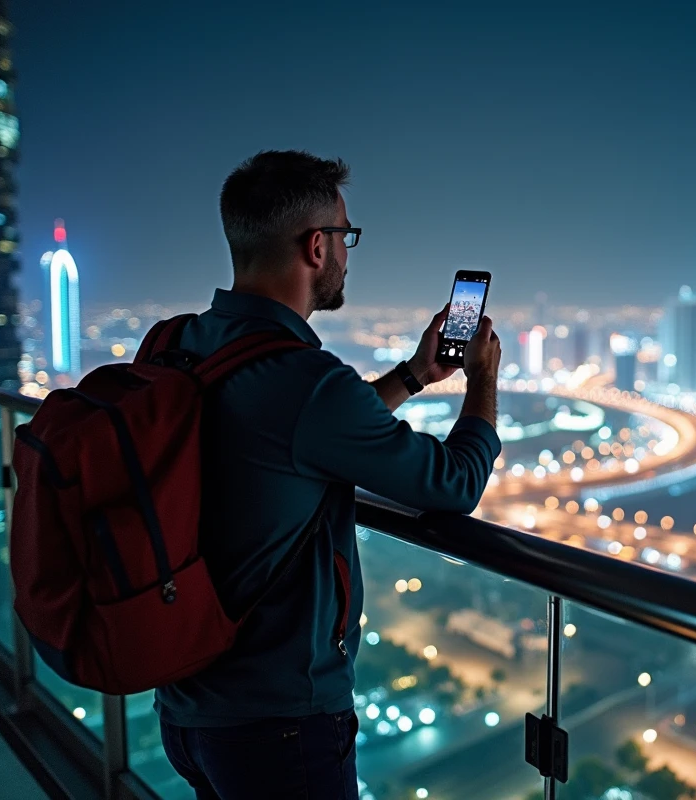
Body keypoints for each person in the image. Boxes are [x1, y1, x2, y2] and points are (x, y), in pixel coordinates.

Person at [155, 150, 502, 798]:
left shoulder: (180, 343)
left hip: (186, 703)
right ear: (317, 246)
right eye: (347, 236)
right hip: (280, 725)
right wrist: (482, 378)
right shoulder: (307, 381)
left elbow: (295, 433)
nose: (347, 252)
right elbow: (455, 483)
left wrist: (414, 376)